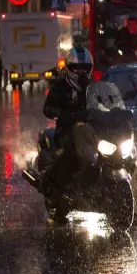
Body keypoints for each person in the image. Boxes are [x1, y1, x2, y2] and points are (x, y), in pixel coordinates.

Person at [40, 46, 97, 192]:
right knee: (71, 151)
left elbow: (104, 102)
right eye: (77, 68)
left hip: (91, 130)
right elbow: (47, 108)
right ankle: (50, 182)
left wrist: (117, 111)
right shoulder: (60, 87)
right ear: (69, 68)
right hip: (67, 130)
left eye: (84, 68)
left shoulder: (93, 87)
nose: (81, 72)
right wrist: (63, 113)